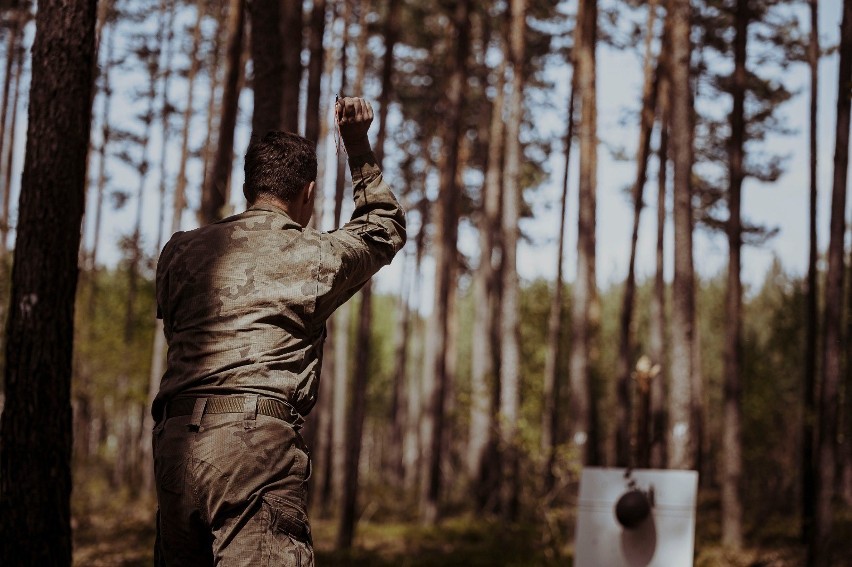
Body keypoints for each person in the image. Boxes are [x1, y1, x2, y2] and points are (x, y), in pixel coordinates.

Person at [151, 97, 406, 566]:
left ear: (248, 186)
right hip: (256, 449)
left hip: (175, 448)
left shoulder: (179, 252)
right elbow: (382, 225)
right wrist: (357, 145)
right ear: (308, 191)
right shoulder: (315, 256)